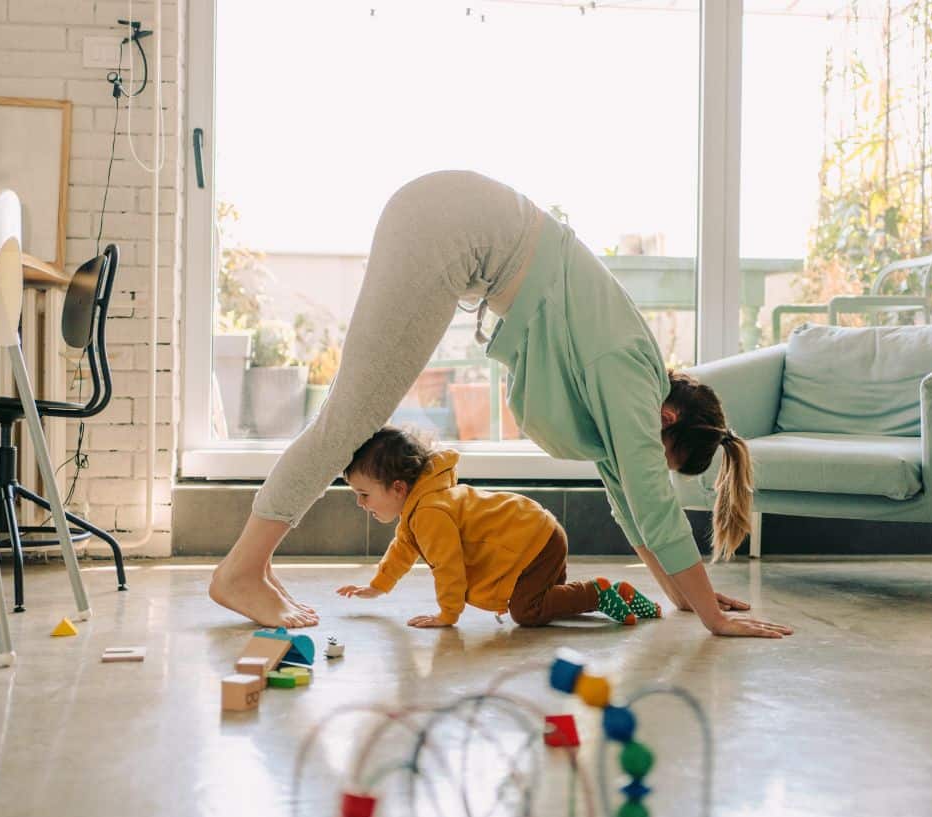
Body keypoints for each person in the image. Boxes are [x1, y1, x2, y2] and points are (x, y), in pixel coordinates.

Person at [209, 170, 792, 639]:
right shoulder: (626, 371)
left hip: (451, 218)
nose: (642, 452)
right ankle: (240, 569)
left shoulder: (627, 366)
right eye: (659, 451)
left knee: (347, 413)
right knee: (350, 419)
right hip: (450, 227)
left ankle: (254, 566)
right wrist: (714, 619)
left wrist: (681, 594)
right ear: (668, 418)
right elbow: (649, 498)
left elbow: (624, 495)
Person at [335, 426, 660, 627]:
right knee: (545, 603)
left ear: (398, 488)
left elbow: (448, 567)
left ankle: (599, 593)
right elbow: (401, 551)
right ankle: (614, 597)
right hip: (537, 536)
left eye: (364, 494)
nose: (361, 504)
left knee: (527, 612)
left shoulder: (430, 513)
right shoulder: (418, 510)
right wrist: (378, 586)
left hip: (533, 544)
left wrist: (447, 614)